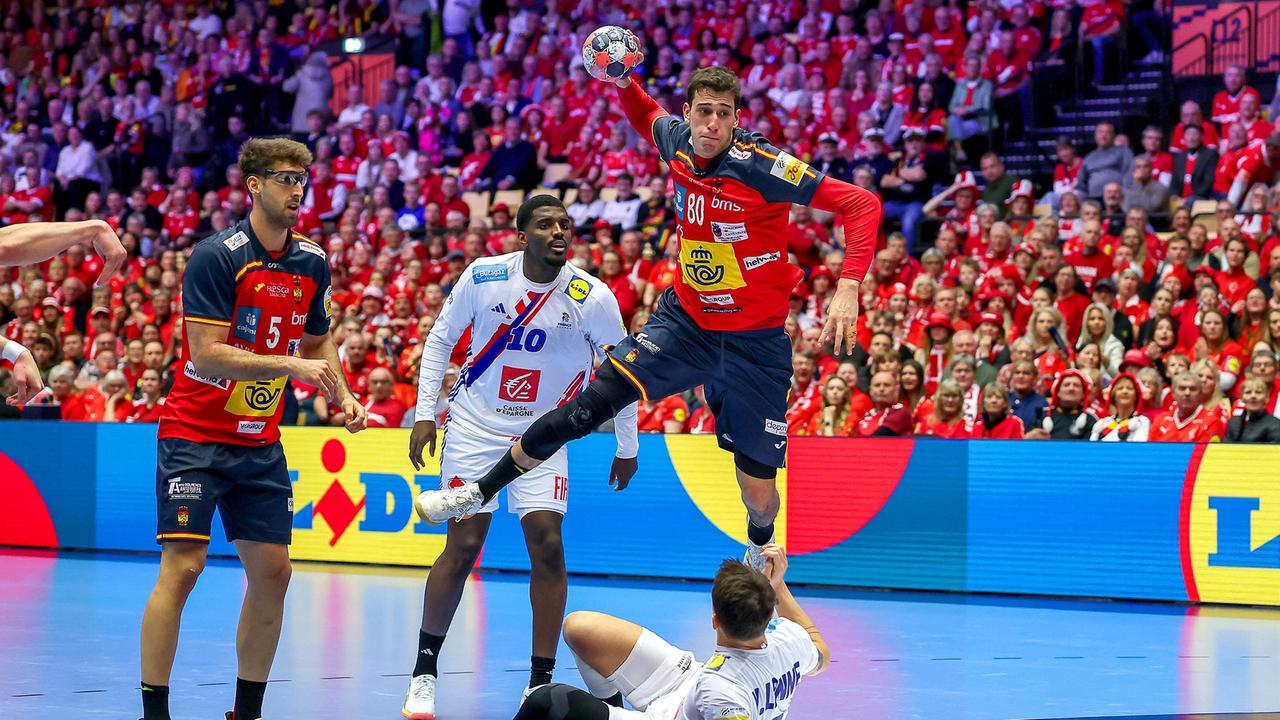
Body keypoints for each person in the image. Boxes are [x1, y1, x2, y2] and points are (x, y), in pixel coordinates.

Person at [413, 52, 881, 573]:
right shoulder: (677, 142)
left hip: (755, 342)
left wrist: (848, 285)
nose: (712, 123)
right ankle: (477, 491)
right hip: (686, 326)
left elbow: (861, 204)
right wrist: (621, 79)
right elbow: (645, 114)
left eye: (724, 113)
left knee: (760, 494)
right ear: (689, 113)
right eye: (704, 111)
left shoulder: (763, 166)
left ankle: (760, 547)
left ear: (737, 119)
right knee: (588, 407)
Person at [139, 138, 368, 720]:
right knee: (184, 568)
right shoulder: (217, 256)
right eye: (285, 178)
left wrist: (342, 393)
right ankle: (155, 713)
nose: (297, 190)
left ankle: (247, 712)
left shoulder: (311, 260)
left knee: (274, 572)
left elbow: (317, 340)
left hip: (259, 440)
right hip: (194, 434)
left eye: (303, 180)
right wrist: (289, 365)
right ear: (254, 185)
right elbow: (206, 352)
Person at [402, 195, 639, 718]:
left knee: (548, 545)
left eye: (565, 224)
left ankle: (538, 682)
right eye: (546, 224)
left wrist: (628, 445)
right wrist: (424, 414)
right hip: (475, 426)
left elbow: (626, 372)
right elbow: (440, 340)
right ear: (522, 235)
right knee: (464, 546)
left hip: (544, 434)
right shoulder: (484, 276)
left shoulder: (592, 297)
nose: (559, 232)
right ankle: (424, 671)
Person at [516, 545, 828, 720]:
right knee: (579, 627)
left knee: (547, 700)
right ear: (769, 614)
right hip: (684, 679)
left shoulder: (720, 691)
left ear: (714, 620)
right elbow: (821, 653)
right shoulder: (790, 638)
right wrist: (778, 586)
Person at [1149, 371, 1224, 442]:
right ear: (1173, 393)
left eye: (1193, 389)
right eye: (1182, 388)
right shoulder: (1160, 420)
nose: (1187, 393)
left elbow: (1203, 451)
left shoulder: (1211, 422)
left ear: (1200, 394)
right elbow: (1149, 449)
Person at [1089, 373, 1150, 441]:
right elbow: (1091, 446)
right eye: (1120, 388)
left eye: (1129, 388)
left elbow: (1139, 446)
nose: (1125, 391)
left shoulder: (1141, 421)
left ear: (1136, 396)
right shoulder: (1102, 423)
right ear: (1113, 395)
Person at [1225, 377, 1280, 442]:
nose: (1253, 396)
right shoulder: (1233, 422)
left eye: (1258, 392)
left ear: (1266, 398)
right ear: (1241, 398)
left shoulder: (1276, 425)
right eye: (1248, 392)